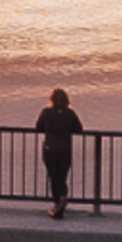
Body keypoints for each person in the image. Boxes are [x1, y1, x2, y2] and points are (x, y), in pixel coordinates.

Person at [33, 89, 83, 219]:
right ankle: (63, 199)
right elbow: (79, 129)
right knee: (62, 177)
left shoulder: (46, 113)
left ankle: (57, 203)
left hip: (50, 149)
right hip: (65, 150)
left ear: (52, 100)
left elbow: (38, 127)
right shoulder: (70, 114)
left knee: (53, 176)